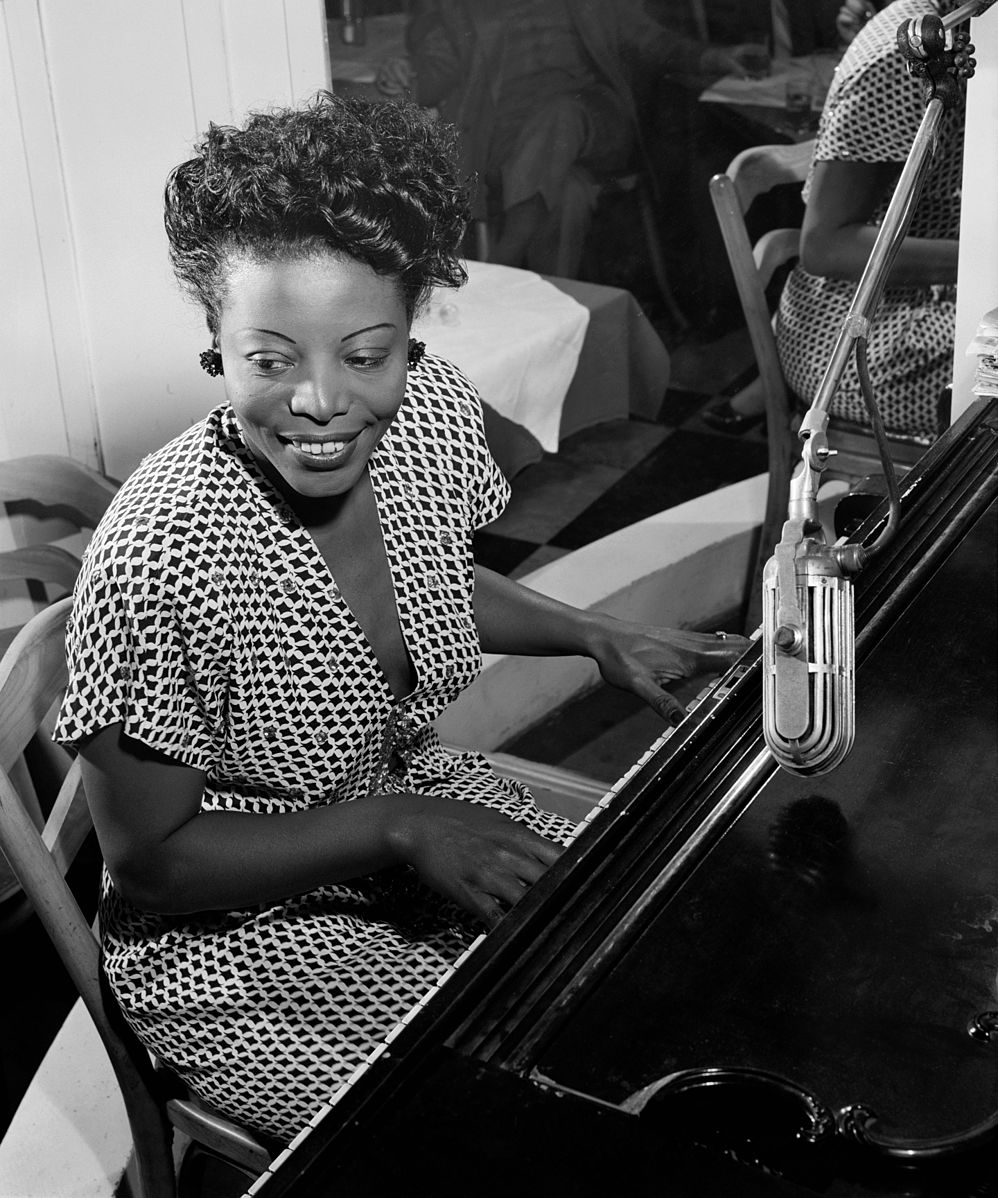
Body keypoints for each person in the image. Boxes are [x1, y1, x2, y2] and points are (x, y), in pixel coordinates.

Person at [53, 93, 747, 1143]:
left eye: (365, 353)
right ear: (215, 348)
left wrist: (593, 635)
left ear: (410, 337)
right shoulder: (164, 551)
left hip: (406, 801)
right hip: (237, 943)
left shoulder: (428, 414)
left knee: (656, 979)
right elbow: (151, 863)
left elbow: (429, 576)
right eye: (270, 358)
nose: (322, 400)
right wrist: (398, 824)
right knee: (499, 1128)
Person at [376, 0, 766, 276]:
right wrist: (405, 75)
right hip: (509, 142)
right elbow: (436, 68)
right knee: (569, 195)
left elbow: (650, 40)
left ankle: (503, 261)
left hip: (594, 120)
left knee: (561, 113)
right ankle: (551, 324)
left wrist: (716, 58)